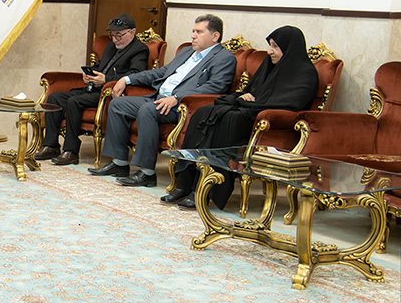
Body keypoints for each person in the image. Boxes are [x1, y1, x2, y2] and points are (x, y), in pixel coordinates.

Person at [161, 25, 319, 209]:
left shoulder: (305, 73)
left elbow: (290, 104)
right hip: (249, 112)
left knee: (230, 119)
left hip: (268, 122)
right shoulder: (269, 67)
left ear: (289, 48)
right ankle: (184, 183)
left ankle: (206, 189)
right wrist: (242, 99)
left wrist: (249, 103)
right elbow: (248, 93)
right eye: (270, 46)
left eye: (275, 47)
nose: (270, 51)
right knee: (203, 113)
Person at [89, 14, 235, 187]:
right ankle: (120, 163)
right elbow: (162, 72)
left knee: (148, 110)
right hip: (158, 98)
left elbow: (214, 87)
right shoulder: (187, 51)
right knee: (117, 105)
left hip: (181, 107)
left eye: (199, 32)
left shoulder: (224, 58)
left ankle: (147, 173)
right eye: (193, 31)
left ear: (215, 36)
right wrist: (127, 79)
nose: (193, 36)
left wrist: (177, 98)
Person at [36, 13, 150, 165]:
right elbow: (101, 66)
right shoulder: (110, 46)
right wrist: (89, 74)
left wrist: (106, 80)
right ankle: (51, 146)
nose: (115, 39)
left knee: (74, 101)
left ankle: (71, 151)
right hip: (93, 88)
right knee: (54, 98)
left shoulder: (139, 49)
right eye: (112, 35)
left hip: (109, 94)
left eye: (119, 35)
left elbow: (135, 75)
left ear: (132, 32)